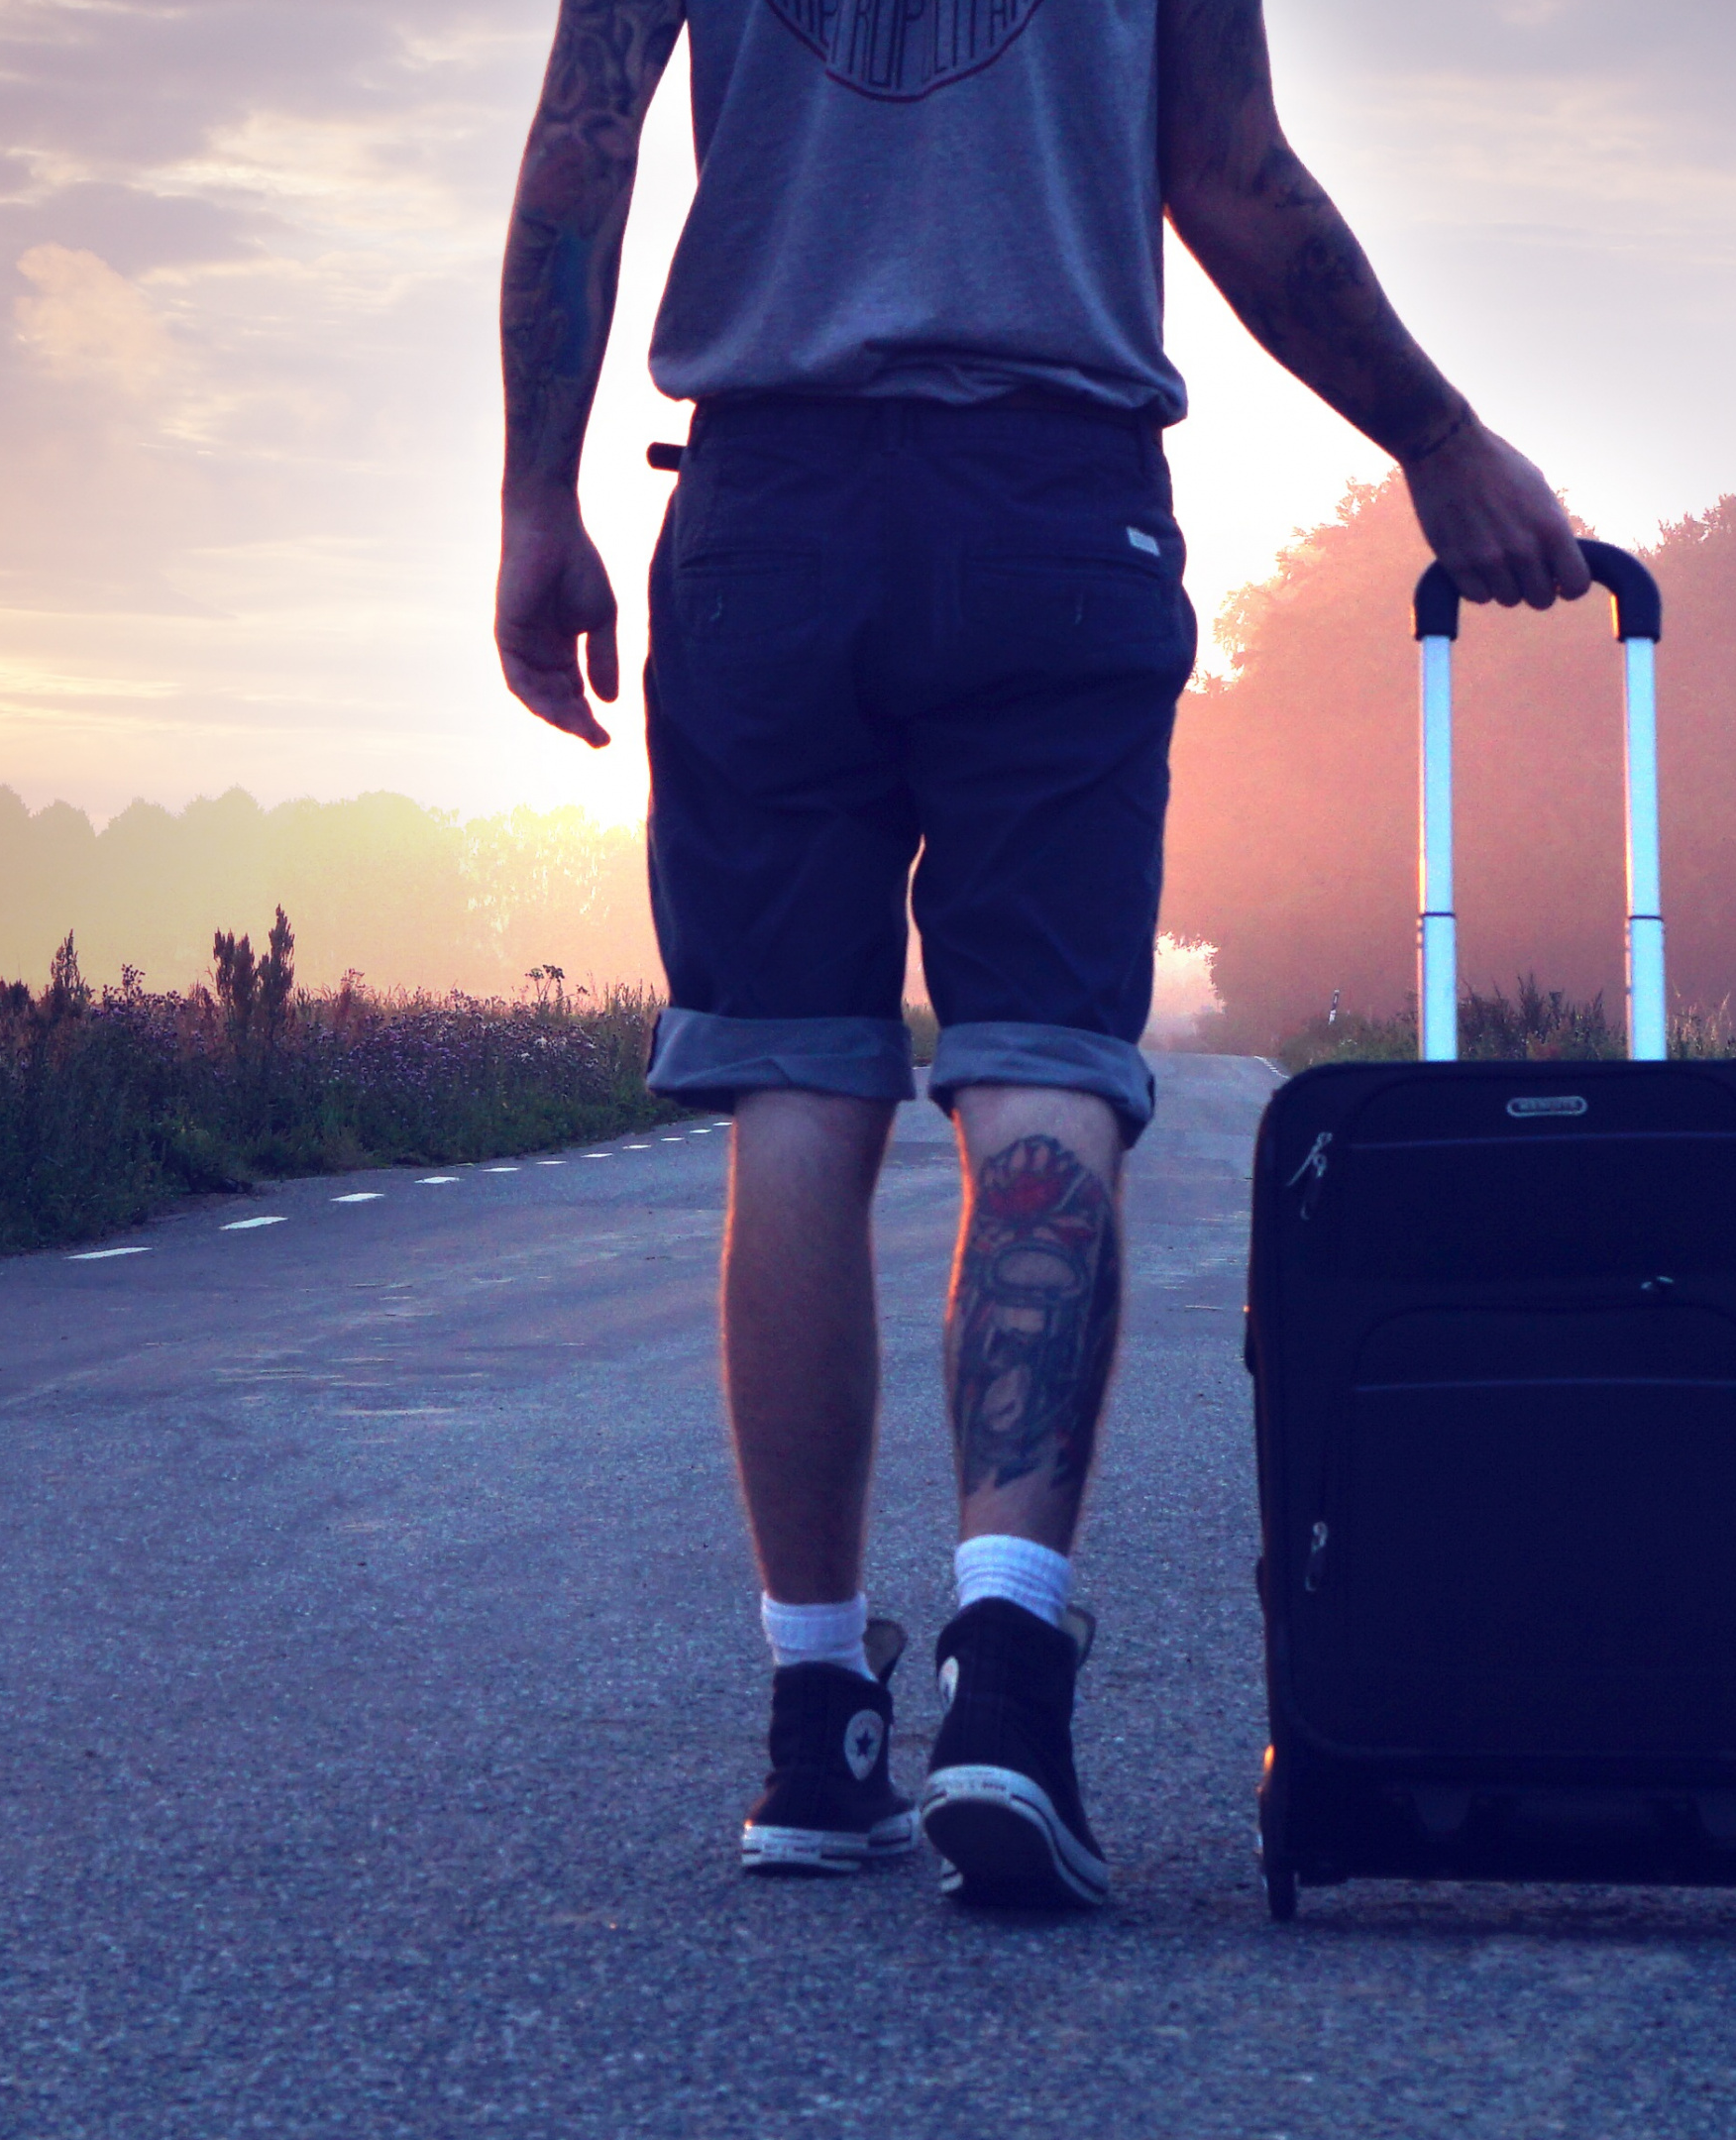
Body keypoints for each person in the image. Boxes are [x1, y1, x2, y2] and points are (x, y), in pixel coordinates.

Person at [491, 0, 1593, 1906]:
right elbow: (1231, 179)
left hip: (767, 509)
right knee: (1043, 1075)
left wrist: (534, 498)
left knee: (794, 1095)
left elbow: (582, 148)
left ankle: (817, 1728)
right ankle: (1006, 1687)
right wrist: (1436, 432)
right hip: (1052, 511)